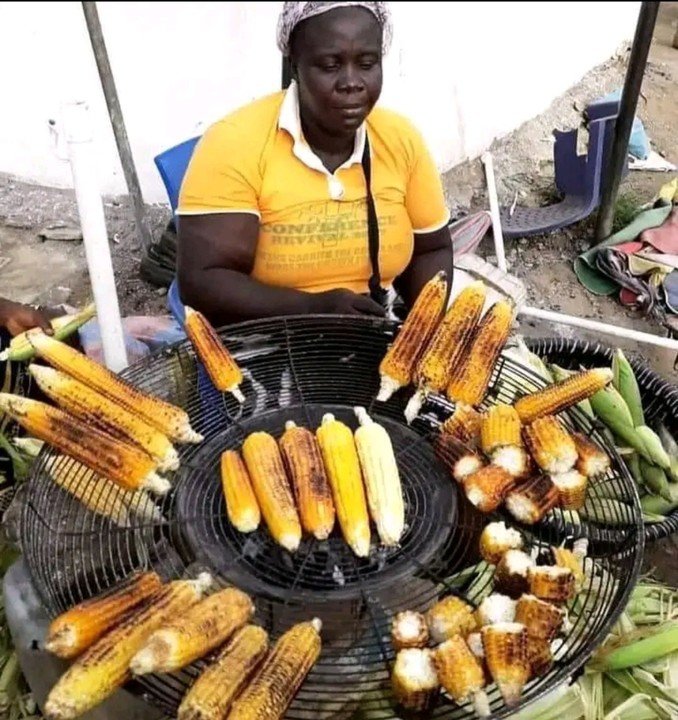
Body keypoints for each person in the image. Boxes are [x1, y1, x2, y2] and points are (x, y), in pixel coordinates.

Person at [176, 1, 453, 327]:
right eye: (329, 65)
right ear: (295, 64)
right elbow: (202, 280)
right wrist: (312, 308)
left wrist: (424, 331)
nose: (352, 82)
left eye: (367, 63)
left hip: (374, 331)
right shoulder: (235, 142)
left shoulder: (399, 138)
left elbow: (431, 250)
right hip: (268, 337)